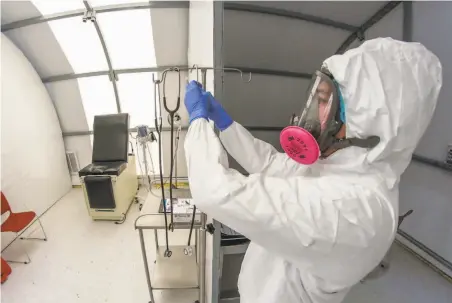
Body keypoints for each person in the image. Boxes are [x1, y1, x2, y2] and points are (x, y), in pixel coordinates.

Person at [183, 37, 442, 303]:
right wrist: (224, 124)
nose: (313, 112)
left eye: (323, 100)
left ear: (366, 118)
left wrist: (198, 122)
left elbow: (215, 191)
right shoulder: (335, 165)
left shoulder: (356, 211)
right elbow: (272, 164)